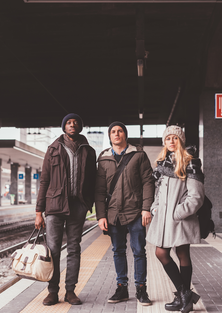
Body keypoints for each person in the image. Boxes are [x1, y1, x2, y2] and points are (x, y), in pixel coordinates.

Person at [35, 113, 97, 306]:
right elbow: (44, 180)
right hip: (54, 206)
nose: (72, 125)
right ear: (64, 127)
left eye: (75, 122)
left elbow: (93, 180)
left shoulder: (88, 150)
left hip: (77, 205)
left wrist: (88, 203)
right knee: (53, 250)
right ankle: (52, 291)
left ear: (80, 127)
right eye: (69, 122)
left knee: (74, 249)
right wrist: (39, 211)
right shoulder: (53, 149)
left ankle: (70, 291)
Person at [95, 121, 155, 306]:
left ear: (125, 134)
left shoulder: (138, 155)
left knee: (139, 251)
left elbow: (148, 182)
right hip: (114, 214)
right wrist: (101, 215)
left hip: (136, 212)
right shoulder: (104, 159)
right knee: (118, 251)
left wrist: (146, 208)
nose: (116, 134)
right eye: (113, 131)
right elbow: (99, 190)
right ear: (110, 136)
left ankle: (141, 289)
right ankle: (122, 287)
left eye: (120, 131)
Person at [146, 125, 203, 313]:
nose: (171, 141)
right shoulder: (162, 164)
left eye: (175, 138)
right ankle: (185, 295)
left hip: (180, 218)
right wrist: (154, 207)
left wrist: (178, 213)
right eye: (168, 138)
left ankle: (183, 297)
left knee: (182, 254)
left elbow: (196, 196)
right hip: (163, 218)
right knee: (161, 253)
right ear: (164, 142)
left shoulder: (190, 162)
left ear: (181, 140)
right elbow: (159, 192)